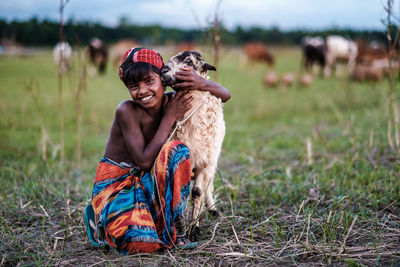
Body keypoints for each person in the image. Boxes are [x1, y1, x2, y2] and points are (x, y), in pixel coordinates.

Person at [84, 47, 230, 254]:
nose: (142, 91)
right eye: (134, 86)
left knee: (177, 150)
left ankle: (176, 227)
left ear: (164, 79)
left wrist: (202, 83)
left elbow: (225, 95)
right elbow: (143, 162)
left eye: (149, 82)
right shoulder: (127, 111)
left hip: (148, 183)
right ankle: (99, 218)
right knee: (140, 244)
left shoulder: (172, 102)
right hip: (118, 188)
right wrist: (169, 118)